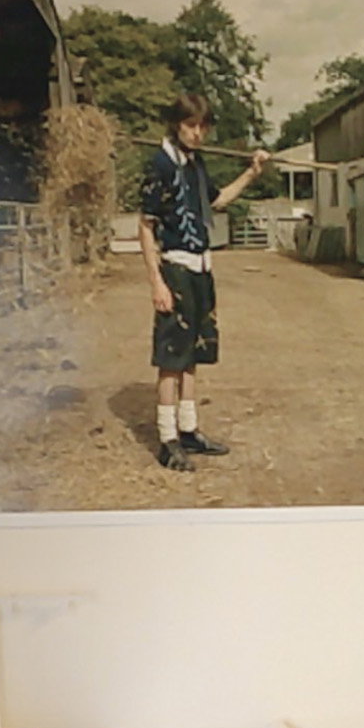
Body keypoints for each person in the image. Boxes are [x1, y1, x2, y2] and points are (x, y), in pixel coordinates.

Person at [138, 93, 270, 471]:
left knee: (193, 353)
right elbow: (145, 227)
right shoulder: (160, 165)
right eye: (190, 126)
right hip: (175, 268)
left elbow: (217, 200)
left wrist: (251, 172)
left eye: (202, 127)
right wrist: (157, 283)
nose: (197, 133)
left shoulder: (196, 164)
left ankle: (189, 430)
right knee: (171, 358)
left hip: (201, 267)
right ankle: (167, 439)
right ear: (176, 125)